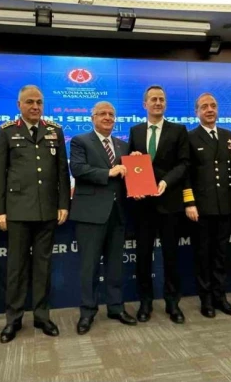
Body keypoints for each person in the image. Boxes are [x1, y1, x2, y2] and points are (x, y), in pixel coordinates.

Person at [0, 85, 70, 343]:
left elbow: (62, 171)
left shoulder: (55, 131)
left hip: (47, 210)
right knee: (16, 268)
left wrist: (63, 204)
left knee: (42, 266)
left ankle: (41, 316)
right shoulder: (6, 131)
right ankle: (13, 319)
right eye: (29, 102)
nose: (35, 106)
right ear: (19, 105)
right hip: (17, 211)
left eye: (39, 102)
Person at [69, 102, 136, 335]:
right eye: (103, 114)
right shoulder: (80, 141)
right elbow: (78, 169)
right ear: (93, 118)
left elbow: (131, 175)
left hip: (118, 214)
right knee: (89, 267)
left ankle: (116, 308)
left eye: (111, 114)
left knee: (115, 265)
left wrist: (136, 161)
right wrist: (109, 172)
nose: (108, 117)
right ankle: (87, 312)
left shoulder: (123, 145)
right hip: (90, 214)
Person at [128, 85, 190, 324]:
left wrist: (166, 181)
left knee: (171, 256)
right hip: (143, 206)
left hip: (170, 202)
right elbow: (132, 165)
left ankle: (173, 303)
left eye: (161, 99)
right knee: (143, 256)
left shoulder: (178, 130)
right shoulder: (135, 131)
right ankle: (145, 303)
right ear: (145, 104)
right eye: (153, 99)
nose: (158, 102)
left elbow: (184, 164)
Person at [182, 93, 231, 318]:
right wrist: (189, 201)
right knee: (203, 255)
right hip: (201, 208)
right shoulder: (189, 137)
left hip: (224, 206)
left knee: (221, 255)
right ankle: (206, 299)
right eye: (204, 106)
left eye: (213, 106)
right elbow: (186, 174)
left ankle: (220, 297)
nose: (209, 109)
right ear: (196, 112)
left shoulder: (229, 136)